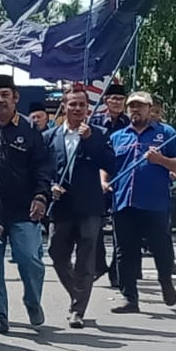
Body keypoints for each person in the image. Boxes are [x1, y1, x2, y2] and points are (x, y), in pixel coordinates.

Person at [0, 73, 52, 333]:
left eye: (5, 94)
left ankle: (32, 300)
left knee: (29, 259)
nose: (0, 100)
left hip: (24, 209)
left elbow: (42, 167)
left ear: (15, 97)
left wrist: (41, 196)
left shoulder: (29, 129)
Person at [108, 90, 176, 314]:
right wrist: (104, 182)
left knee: (161, 248)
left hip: (155, 203)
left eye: (140, 106)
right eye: (132, 106)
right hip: (124, 202)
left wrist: (161, 160)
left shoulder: (166, 133)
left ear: (150, 109)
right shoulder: (118, 137)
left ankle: (165, 281)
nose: (135, 110)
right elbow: (106, 166)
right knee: (125, 252)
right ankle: (129, 298)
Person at [45, 86, 116, 327]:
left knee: (86, 258)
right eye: (72, 104)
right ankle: (77, 293)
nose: (77, 109)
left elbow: (109, 163)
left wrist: (91, 140)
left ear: (88, 108)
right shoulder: (50, 137)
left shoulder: (98, 133)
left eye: (81, 105)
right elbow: (42, 171)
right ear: (64, 107)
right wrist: (50, 187)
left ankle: (78, 310)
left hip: (89, 207)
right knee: (56, 253)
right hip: (61, 206)